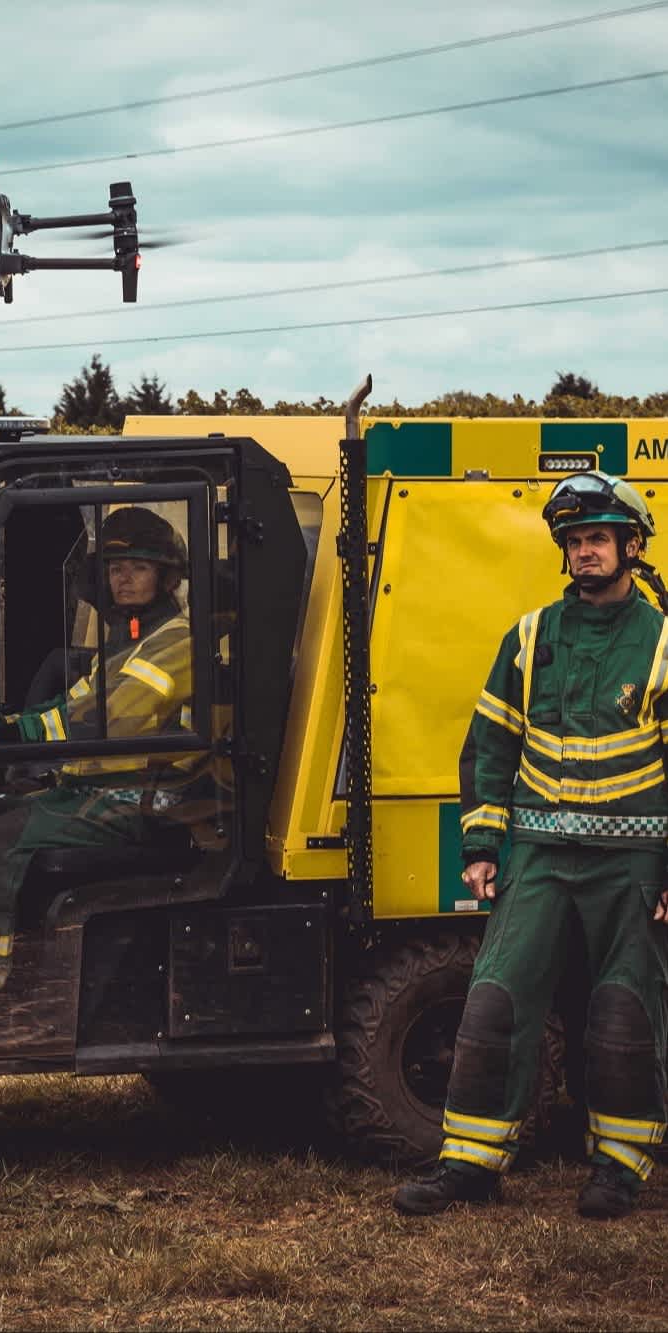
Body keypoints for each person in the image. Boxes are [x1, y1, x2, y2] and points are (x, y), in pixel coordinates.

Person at [393, 470, 668, 1221]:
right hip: (538, 854)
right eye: (574, 541)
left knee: (622, 1013)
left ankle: (619, 1165)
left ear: (631, 545)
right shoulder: (529, 633)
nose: (584, 551)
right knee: (493, 1001)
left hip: (634, 862)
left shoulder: (663, 639)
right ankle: (469, 1164)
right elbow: (488, 742)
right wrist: (481, 844)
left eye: (597, 539)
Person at [0, 506, 204, 989]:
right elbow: (67, 705)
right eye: (115, 569)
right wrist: (1, 726)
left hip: (143, 800)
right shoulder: (130, 641)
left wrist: (15, 737)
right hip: (96, 789)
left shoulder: (177, 642)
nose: (124, 579)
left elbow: (105, 720)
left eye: (138, 568)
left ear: (166, 576)